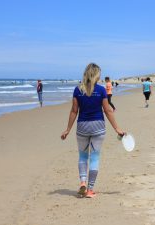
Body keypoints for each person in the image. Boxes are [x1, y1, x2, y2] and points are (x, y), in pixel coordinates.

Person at [60, 63, 124, 198]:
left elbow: (74, 111)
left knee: (83, 156)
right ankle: (90, 190)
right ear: (96, 74)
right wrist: (117, 128)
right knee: (94, 158)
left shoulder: (78, 90)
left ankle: (83, 182)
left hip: (82, 126)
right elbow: (107, 110)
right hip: (98, 127)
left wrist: (67, 130)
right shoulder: (101, 90)